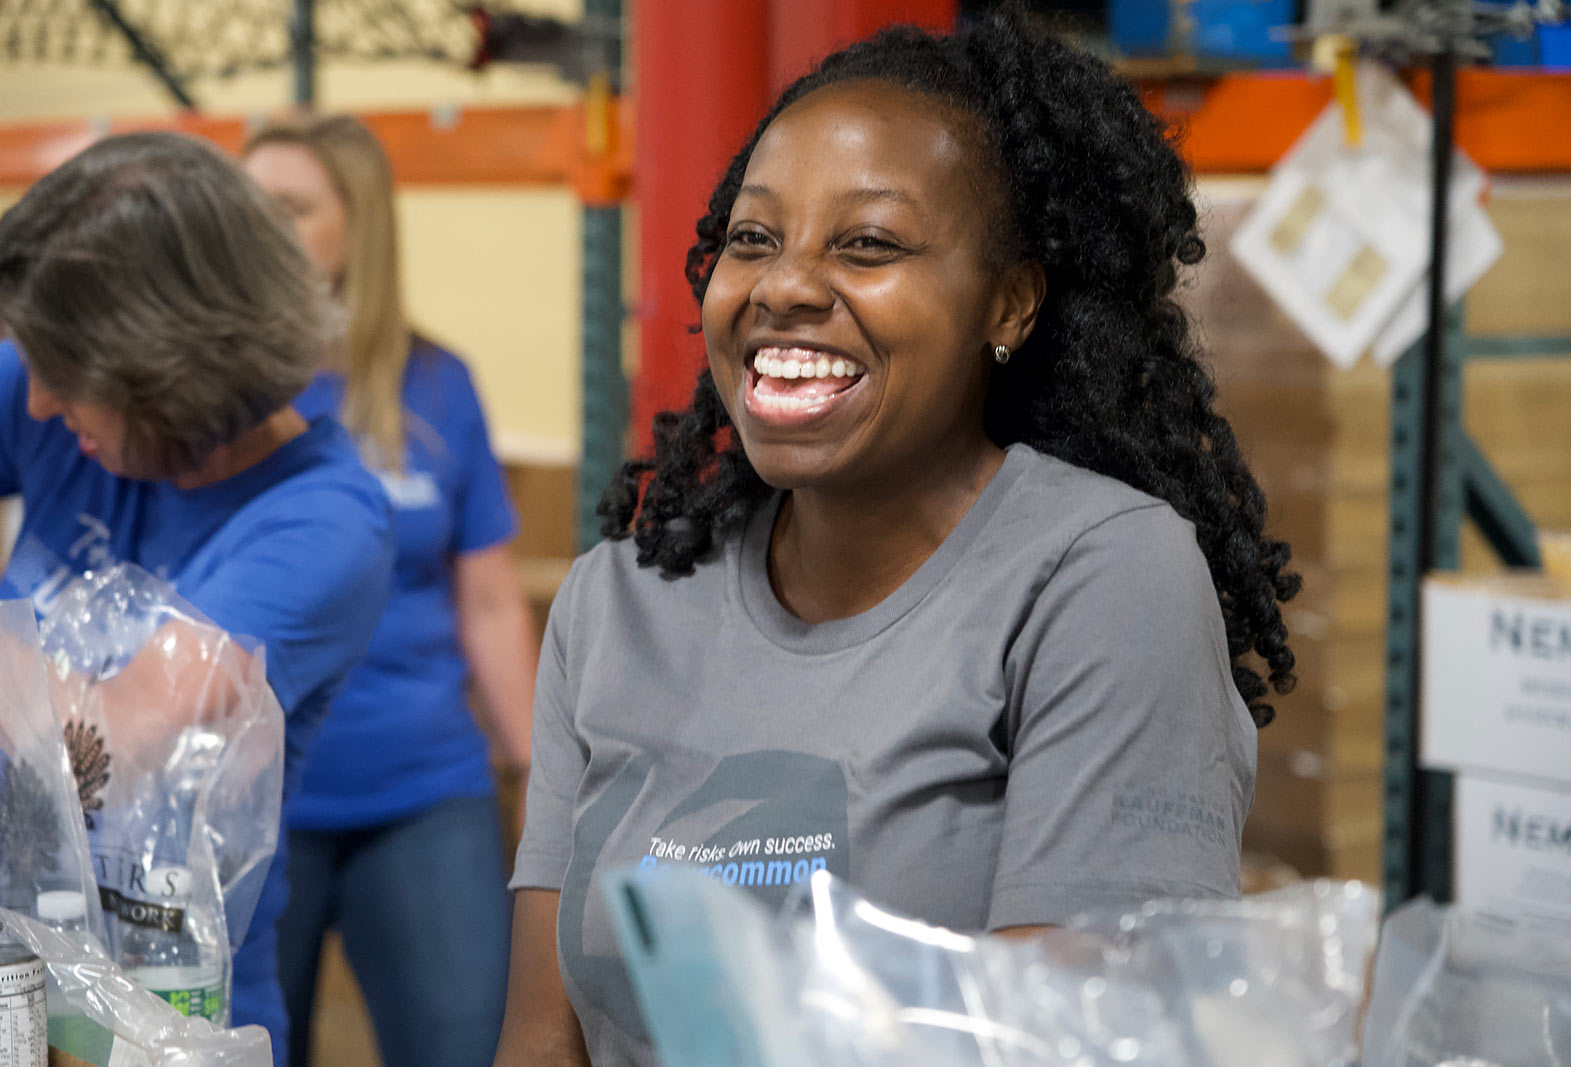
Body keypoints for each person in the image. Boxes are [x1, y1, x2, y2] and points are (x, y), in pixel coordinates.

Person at [499, 12, 1302, 1067]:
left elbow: (1064, 1046)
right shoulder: (619, 601)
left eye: (867, 243)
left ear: (1008, 304)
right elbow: (537, 1040)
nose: (783, 284)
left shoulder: (1098, 578)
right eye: (752, 238)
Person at [0, 132, 394, 1065]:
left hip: (151, 1023)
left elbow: (109, 747)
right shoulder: (52, 394)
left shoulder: (322, 527)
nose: (35, 402)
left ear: (169, 364)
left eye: (64, 374)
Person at [242, 114, 539, 1067]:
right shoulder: (213, 386)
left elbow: (488, 600)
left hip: (421, 792)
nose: (261, 226)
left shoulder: (438, 384)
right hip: (250, 807)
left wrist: (546, 779)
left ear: (356, 227)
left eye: (289, 207)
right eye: (248, 205)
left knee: (466, 1047)